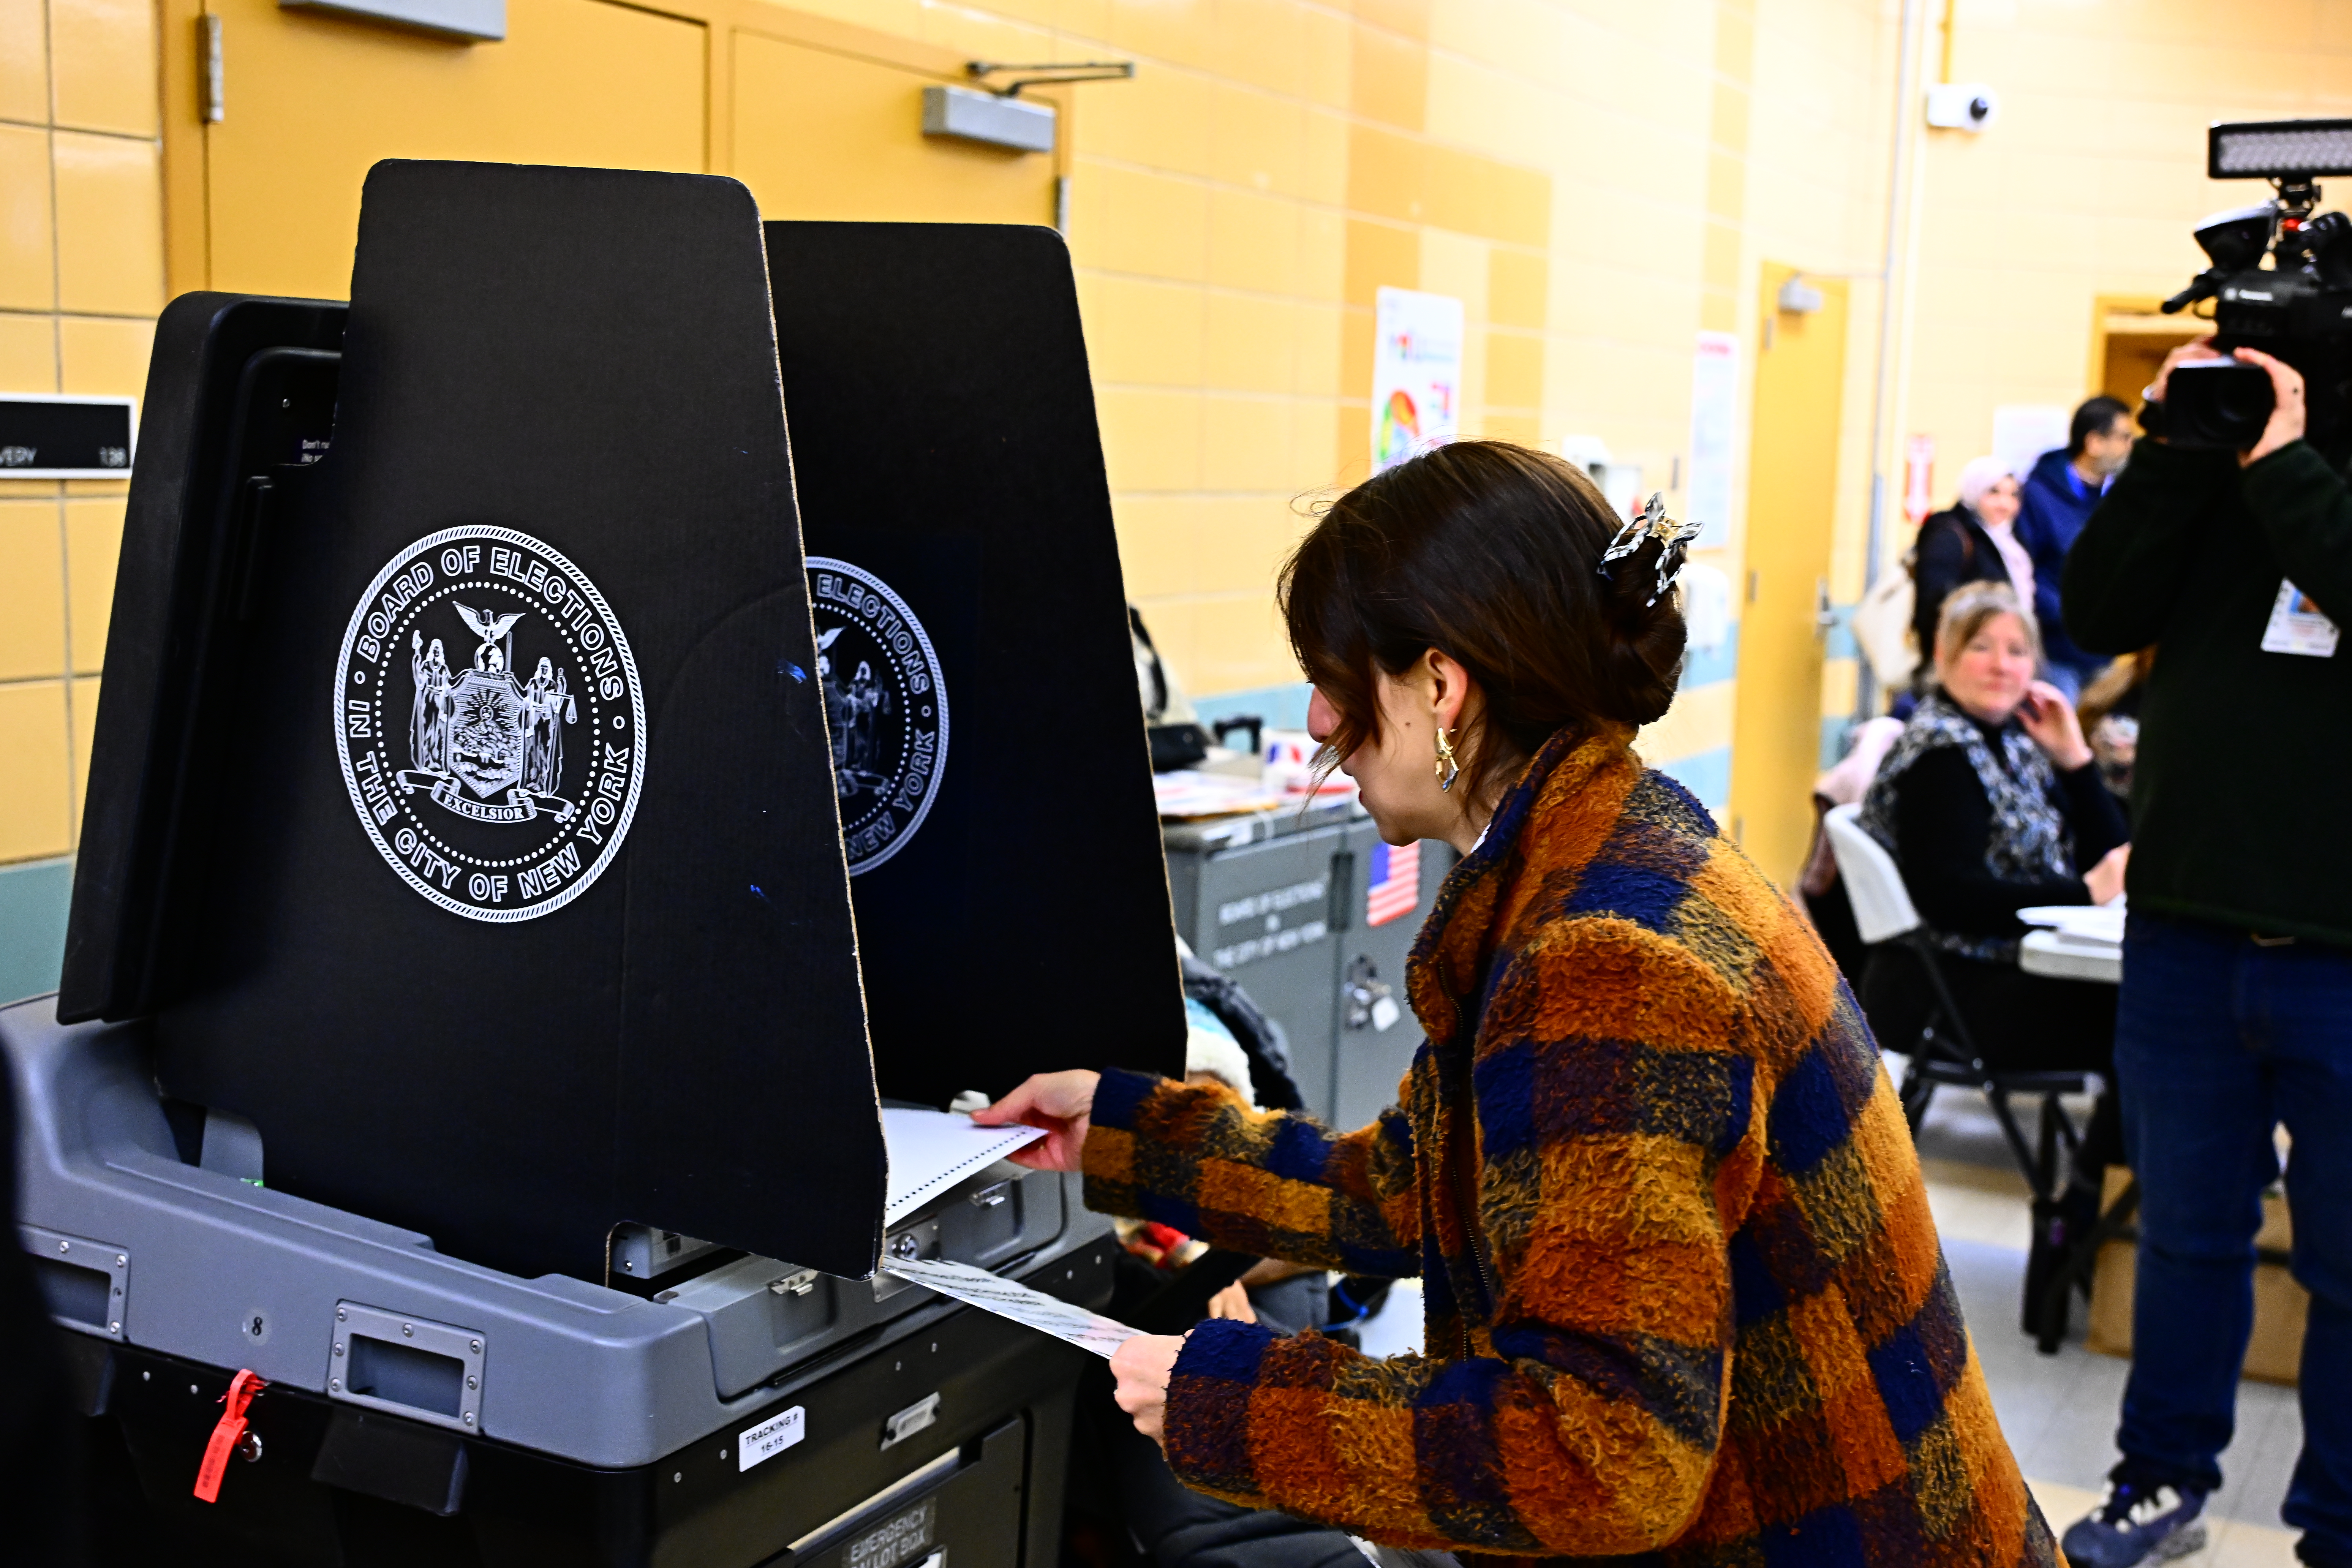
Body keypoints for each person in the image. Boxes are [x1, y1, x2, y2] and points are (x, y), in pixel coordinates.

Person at [977, 441, 2061, 1563]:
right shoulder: (1601, 847)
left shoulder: (1605, 957)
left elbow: (1605, 1453)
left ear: (1442, 688)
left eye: (1341, 677)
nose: (1313, 719)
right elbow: (1413, 1184)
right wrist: (1121, 1133)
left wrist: (1238, 1402)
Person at [2058, 337, 2352, 1568]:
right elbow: (2098, 608)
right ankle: (2160, 1477)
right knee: (2182, 1231)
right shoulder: (2204, 458)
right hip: (2184, 929)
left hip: (2343, 952)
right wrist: (2180, 449)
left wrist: (2285, 460)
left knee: (2348, 1262)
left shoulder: (2296, 472)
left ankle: (2337, 1527)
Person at [1854, 583, 2128, 1216]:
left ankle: (2102, 1204)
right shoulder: (1941, 752)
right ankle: (2094, 1210)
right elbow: (1950, 896)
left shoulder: (2008, 740)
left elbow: (2111, 855)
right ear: (1944, 655)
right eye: (1981, 646)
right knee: (2150, 1027)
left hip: (2001, 973)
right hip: (1952, 992)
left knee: (2153, 1018)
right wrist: (2083, 891)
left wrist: (2074, 758)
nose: (2002, 664)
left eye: (2016, 649)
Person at [2020, 396, 2136, 701]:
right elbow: (2025, 570)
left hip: (2102, 652)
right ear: (2095, 442)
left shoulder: (2117, 497)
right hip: (2056, 650)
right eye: (2124, 437)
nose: (2131, 447)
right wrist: (2071, 615)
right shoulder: (2038, 495)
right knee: (2058, 740)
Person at [1913, 457, 2035, 677]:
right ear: (1974, 491)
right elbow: (1934, 604)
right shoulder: (1949, 533)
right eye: (1994, 493)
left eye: (2013, 495)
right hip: (1959, 660)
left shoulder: (2008, 539)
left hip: (1995, 657)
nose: (2004, 504)